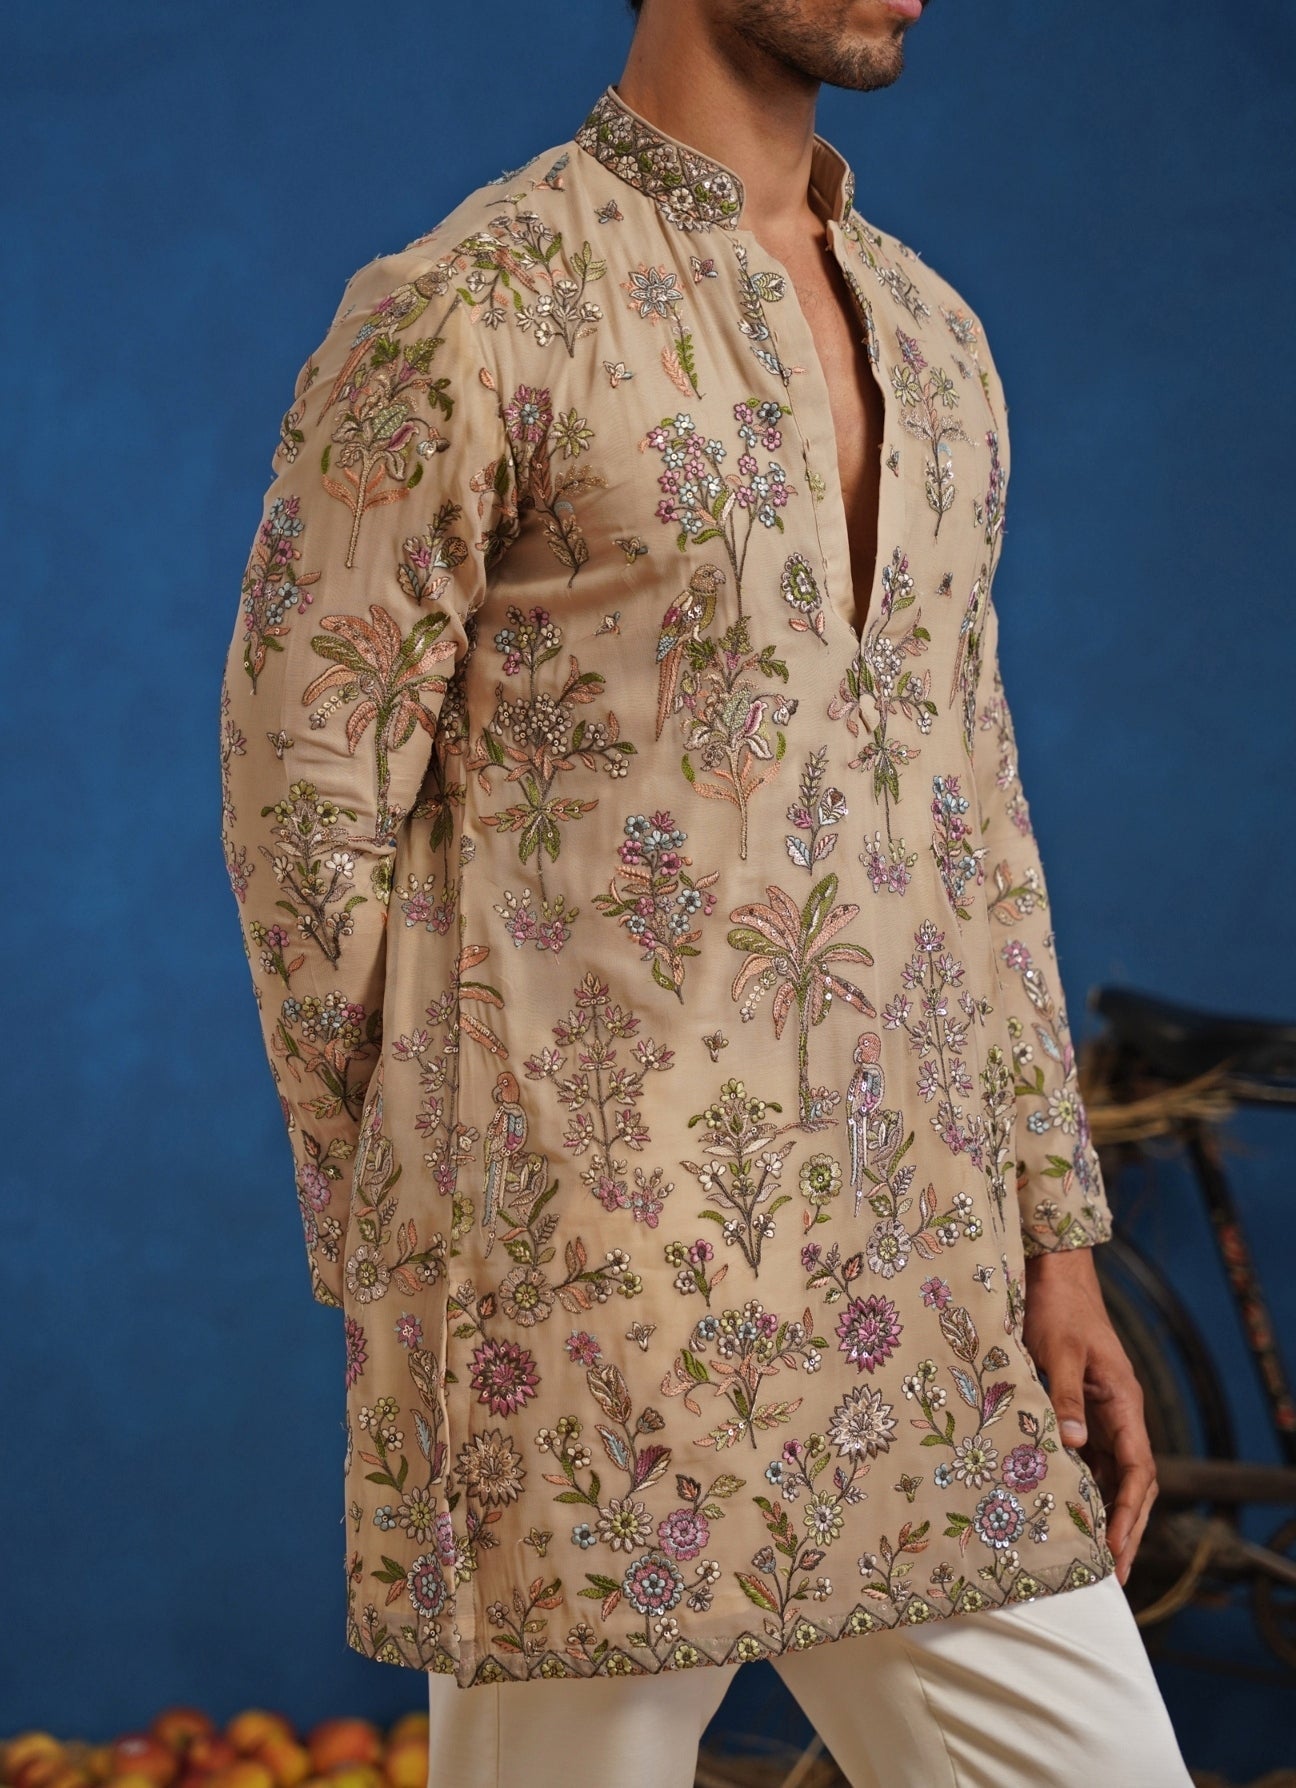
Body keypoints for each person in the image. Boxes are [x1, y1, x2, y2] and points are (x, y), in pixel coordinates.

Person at [218, 0, 1196, 1781]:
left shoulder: (935, 334)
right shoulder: (473, 306)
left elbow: (973, 802)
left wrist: (1056, 1237)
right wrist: (422, 1236)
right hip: (588, 1299)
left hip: (923, 1298)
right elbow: (305, 796)